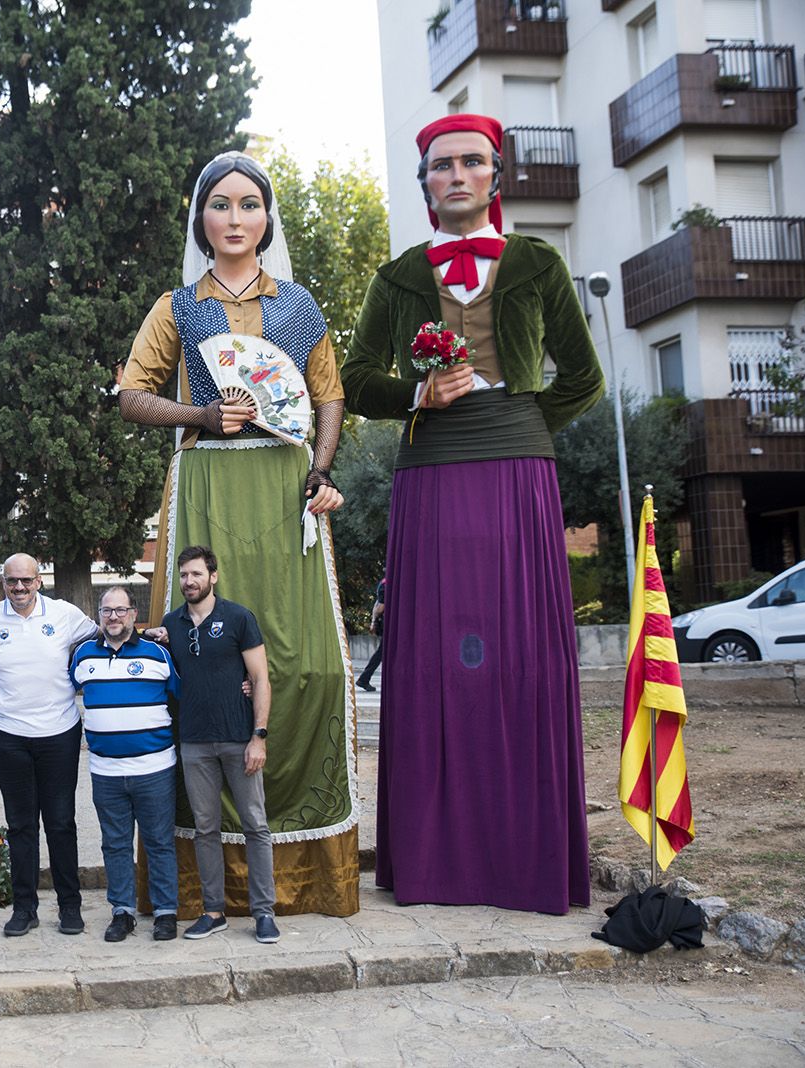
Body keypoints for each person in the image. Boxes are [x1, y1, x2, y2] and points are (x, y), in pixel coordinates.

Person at [340, 113, 604, 914]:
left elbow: (582, 378)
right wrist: (417, 394)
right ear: (424, 183)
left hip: (518, 475)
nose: (456, 175)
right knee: (432, 662)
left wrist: (516, 423)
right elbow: (354, 380)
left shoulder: (537, 262)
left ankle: (524, 860)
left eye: (471, 162)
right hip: (430, 474)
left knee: (523, 654)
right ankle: (435, 864)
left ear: (497, 174)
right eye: (440, 165)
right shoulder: (398, 277)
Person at [118, 150, 360, 917]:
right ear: (202, 218)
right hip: (210, 482)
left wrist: (320, 471)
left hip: (283, 484)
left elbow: (327, 395)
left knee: (308, 665)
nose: (234, 219)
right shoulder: (177, 306)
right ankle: (199, 885)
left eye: (248, 204)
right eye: (219, 205)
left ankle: (307, 867)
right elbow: (131, 395)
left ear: (266, 217)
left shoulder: (298, 304)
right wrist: (198, 414)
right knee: (199, 670)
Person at [0, 553, 99, 936]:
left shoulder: (64, 614)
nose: (19, 587)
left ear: (39, 581)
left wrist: (149, 639)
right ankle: (25, 908)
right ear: (3, 582)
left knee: (61, 822)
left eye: (26, 581)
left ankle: (70, 906)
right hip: (6, 736)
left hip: (59, 733)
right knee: (20, 825)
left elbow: (101, 639)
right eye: (11, 581)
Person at [158, 546, 278, 943]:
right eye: (183, 575)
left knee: (255, 826)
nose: (188, 581)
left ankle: (264, 913)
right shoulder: (171, 623)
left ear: (214, 576)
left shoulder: (239, 617)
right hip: (193, 743)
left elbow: (260, 679)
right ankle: (214, 911)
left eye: (196, 574)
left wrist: (258, 736)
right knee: (205, 828)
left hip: (239, 740)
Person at [70, 586, 181, 943]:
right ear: (99, 615)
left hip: (155, 768)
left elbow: (186, 694)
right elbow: (62, 693)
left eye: (120, 610)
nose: (113, 617)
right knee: (115, 843)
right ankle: (123, 911)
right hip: (106, 772)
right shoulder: (83, 656)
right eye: (106, 611)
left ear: (134, 614)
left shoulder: (158, 654)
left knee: (159, 841)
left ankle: (165, 912)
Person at [357, 570, 386, 692]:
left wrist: (373, 621)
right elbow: (380, 607)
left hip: (384, 622)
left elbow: (377, 604)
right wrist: (374, 620)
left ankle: (364, 679)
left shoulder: (384, 583)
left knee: (382, 653)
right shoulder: (388, 584)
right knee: (381, 653)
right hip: (389, 623)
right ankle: (364, 679)